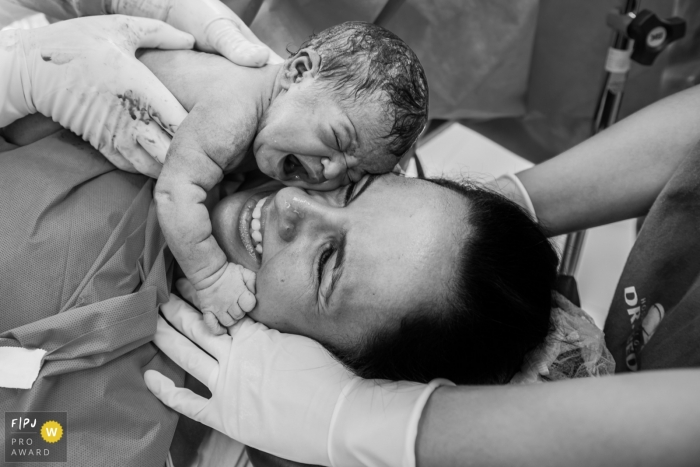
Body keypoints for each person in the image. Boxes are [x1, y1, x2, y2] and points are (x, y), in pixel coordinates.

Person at [146, 67, 700, 466]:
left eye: (326, 265)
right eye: (355, 191)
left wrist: (367, 424)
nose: (293, 202)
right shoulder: (239, 132)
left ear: (338, 370)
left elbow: (55, 438)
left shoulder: (119, 418)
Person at [152, 21, 429, 334]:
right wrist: (211, 276)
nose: (334, 170)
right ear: (297, 72)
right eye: (338, 140)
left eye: (354, 172)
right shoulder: (233, 112)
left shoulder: (284, 125)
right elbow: (175, 193)